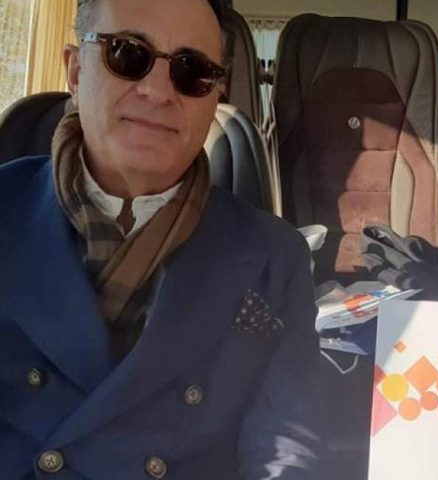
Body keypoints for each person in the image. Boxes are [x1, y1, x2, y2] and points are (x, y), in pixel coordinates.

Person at [0, 0, 323, 478]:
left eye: (191, 72)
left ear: (214, 95)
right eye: (127, 54)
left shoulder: (275, 257)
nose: (157, 91)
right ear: (75, 70)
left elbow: (289, 448)